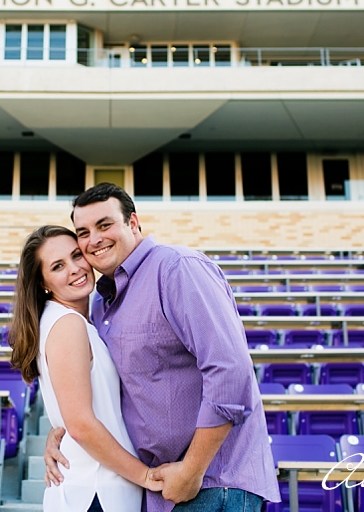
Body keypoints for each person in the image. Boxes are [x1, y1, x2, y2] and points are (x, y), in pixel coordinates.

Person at [45, 183, 281, 512]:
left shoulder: (177, 268)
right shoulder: (100, 303)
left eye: (104, 225)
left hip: (211, 484)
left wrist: (192, 469)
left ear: (133, 222)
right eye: (83, 232)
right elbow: (105, 390)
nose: (93, 239)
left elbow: (230, 373)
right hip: (159, 490)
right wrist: (60, 435)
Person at [9, 225, 163, 512]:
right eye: (58, 266)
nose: (75, 269)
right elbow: (81, 425)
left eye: (76, 256)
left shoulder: (79, 319)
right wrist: (147, 477)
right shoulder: (67, 324)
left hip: (99, 489)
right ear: (43, 282)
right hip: (95, 493)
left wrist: (57, 432)